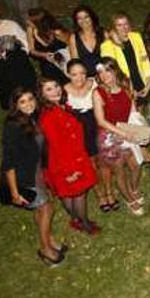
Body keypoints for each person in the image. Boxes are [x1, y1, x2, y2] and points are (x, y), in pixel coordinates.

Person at [1, 88, 66, 266]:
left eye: (30, 99)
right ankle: (45, 249)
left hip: (36, 171)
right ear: (15, 105)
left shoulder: (33, 117)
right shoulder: (12, 127)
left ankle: (49, 239)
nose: (29, 104)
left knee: (40, 209)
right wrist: (14, 192)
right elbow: (9, 162)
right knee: (47, 209)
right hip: (23, 177)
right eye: (23, 101)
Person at [38, 77, 100, 234]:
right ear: (42, 94)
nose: (56, 90)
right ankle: (83, 223)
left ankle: (77, 220)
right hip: (66, 162)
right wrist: (69, 171)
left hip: (75, 155)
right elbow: (56, 146)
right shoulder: (49, 116)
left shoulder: (62, 107)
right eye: (49, 89)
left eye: (56, 86)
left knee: (72, 193)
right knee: (78, 193)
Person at [93, 58, 144, 216]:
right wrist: (122, 134)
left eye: (107, 70)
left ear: (115, 70)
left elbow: (133, 111)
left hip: (126, 129)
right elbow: (100, 120)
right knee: (120, 170)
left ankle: (133, 188)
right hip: (108, 137)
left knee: (136, 165)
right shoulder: (98, 92)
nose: (104, 75)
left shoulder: (126, 85)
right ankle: (129, 199)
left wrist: (139, 133)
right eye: (100, 72)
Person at [64, 59, 107, 210]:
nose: (79, 77)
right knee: (91, 163)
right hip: (79, 131)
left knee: (102, 160)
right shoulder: (63, 91)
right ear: (68, 74)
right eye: (74, 74)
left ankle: (109, 192)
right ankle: (100, 195)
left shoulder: (93, 83)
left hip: (97, 124)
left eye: (82, 73)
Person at [100, 12, 150, 102]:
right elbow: (111, 72)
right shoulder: (107, 45)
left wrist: (149, 82)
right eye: (119, 25)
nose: (124, 28)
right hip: (123, 85)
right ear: (114, 27)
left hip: (140, 81)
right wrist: (128, 89)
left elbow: (145, 60)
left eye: (126, 24)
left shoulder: (136, 37)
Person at [26, 8, 70, 85]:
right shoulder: (31, 29)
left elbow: (70, 44)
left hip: (63, 60)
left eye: (30, 20)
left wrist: (36, 35)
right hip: (47, 64)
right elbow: (32, 50)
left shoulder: (56, 31)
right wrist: (44, 55)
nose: (27, 22)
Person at [68, 5, 104, 77]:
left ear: (92, 18)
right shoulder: (73, 38)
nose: (83, 20)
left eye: (86, 17)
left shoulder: (103, 34)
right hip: (86, 78)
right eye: (79, 18)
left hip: (104, 75)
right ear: (76, 21)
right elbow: (76, 63)